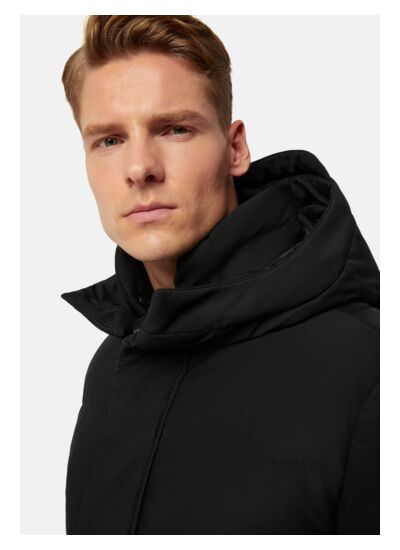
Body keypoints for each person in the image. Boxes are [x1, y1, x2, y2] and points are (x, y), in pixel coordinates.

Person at [60, 15, 379, 535]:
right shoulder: (110, 365)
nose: (140, 168)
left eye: (175, 129)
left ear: (235, 149)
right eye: (109, 140)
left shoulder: (370, 366)